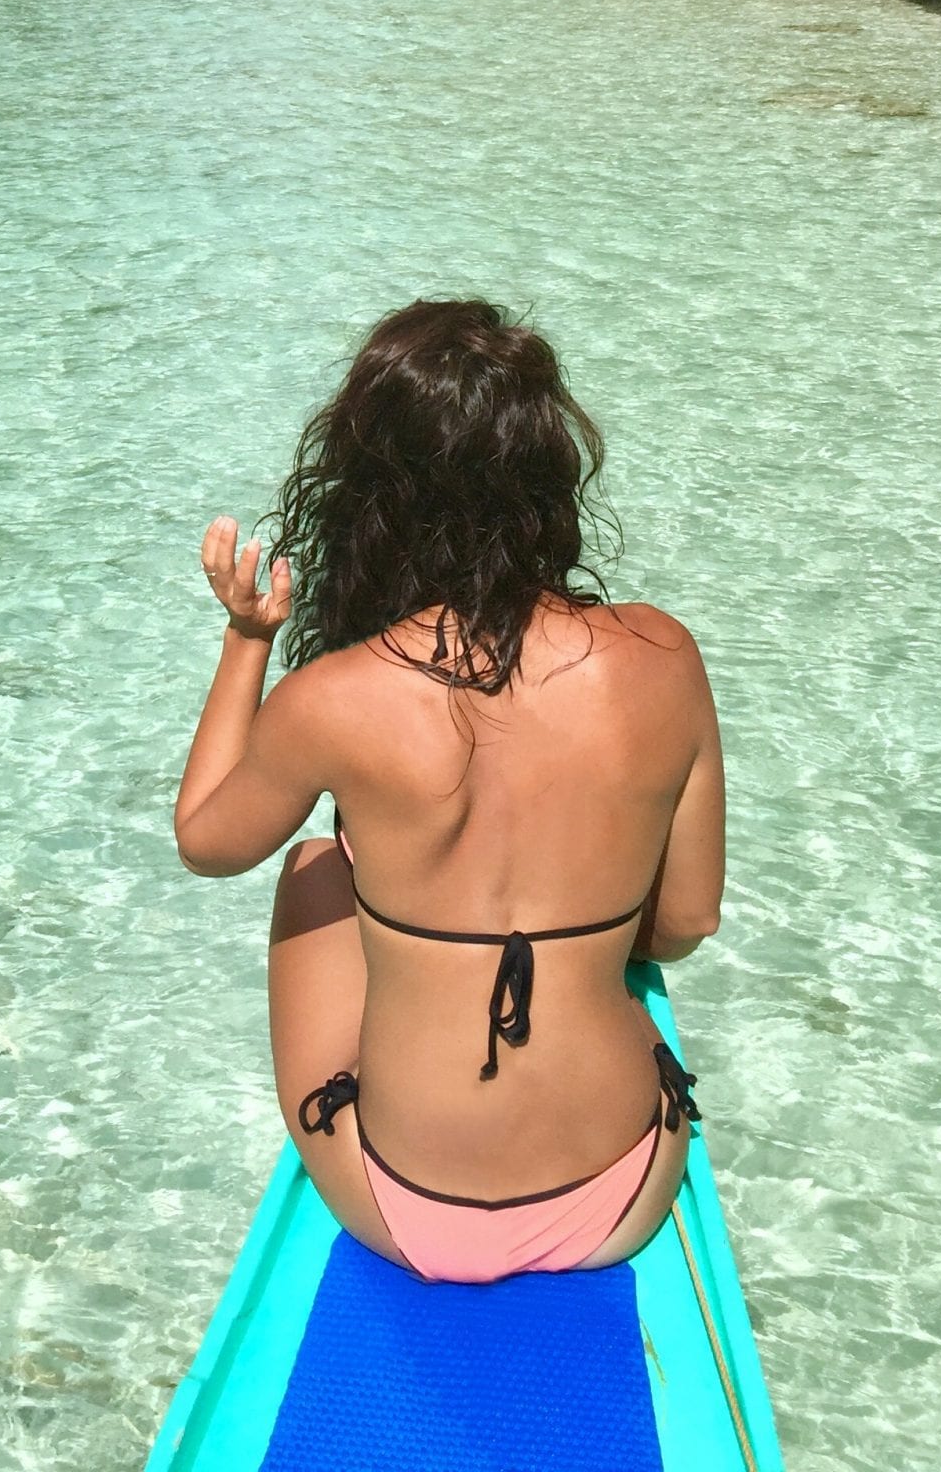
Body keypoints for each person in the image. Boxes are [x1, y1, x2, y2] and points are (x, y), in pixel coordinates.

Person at [173, 299, 725, 1284]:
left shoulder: (336, 701)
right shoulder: (663, 656)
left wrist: (249, 636)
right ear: (553, 473)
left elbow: (206, 839)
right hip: (623, 1190)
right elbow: (684, 920)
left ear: (368, 487)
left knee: (312, 864)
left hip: (410, 1206)